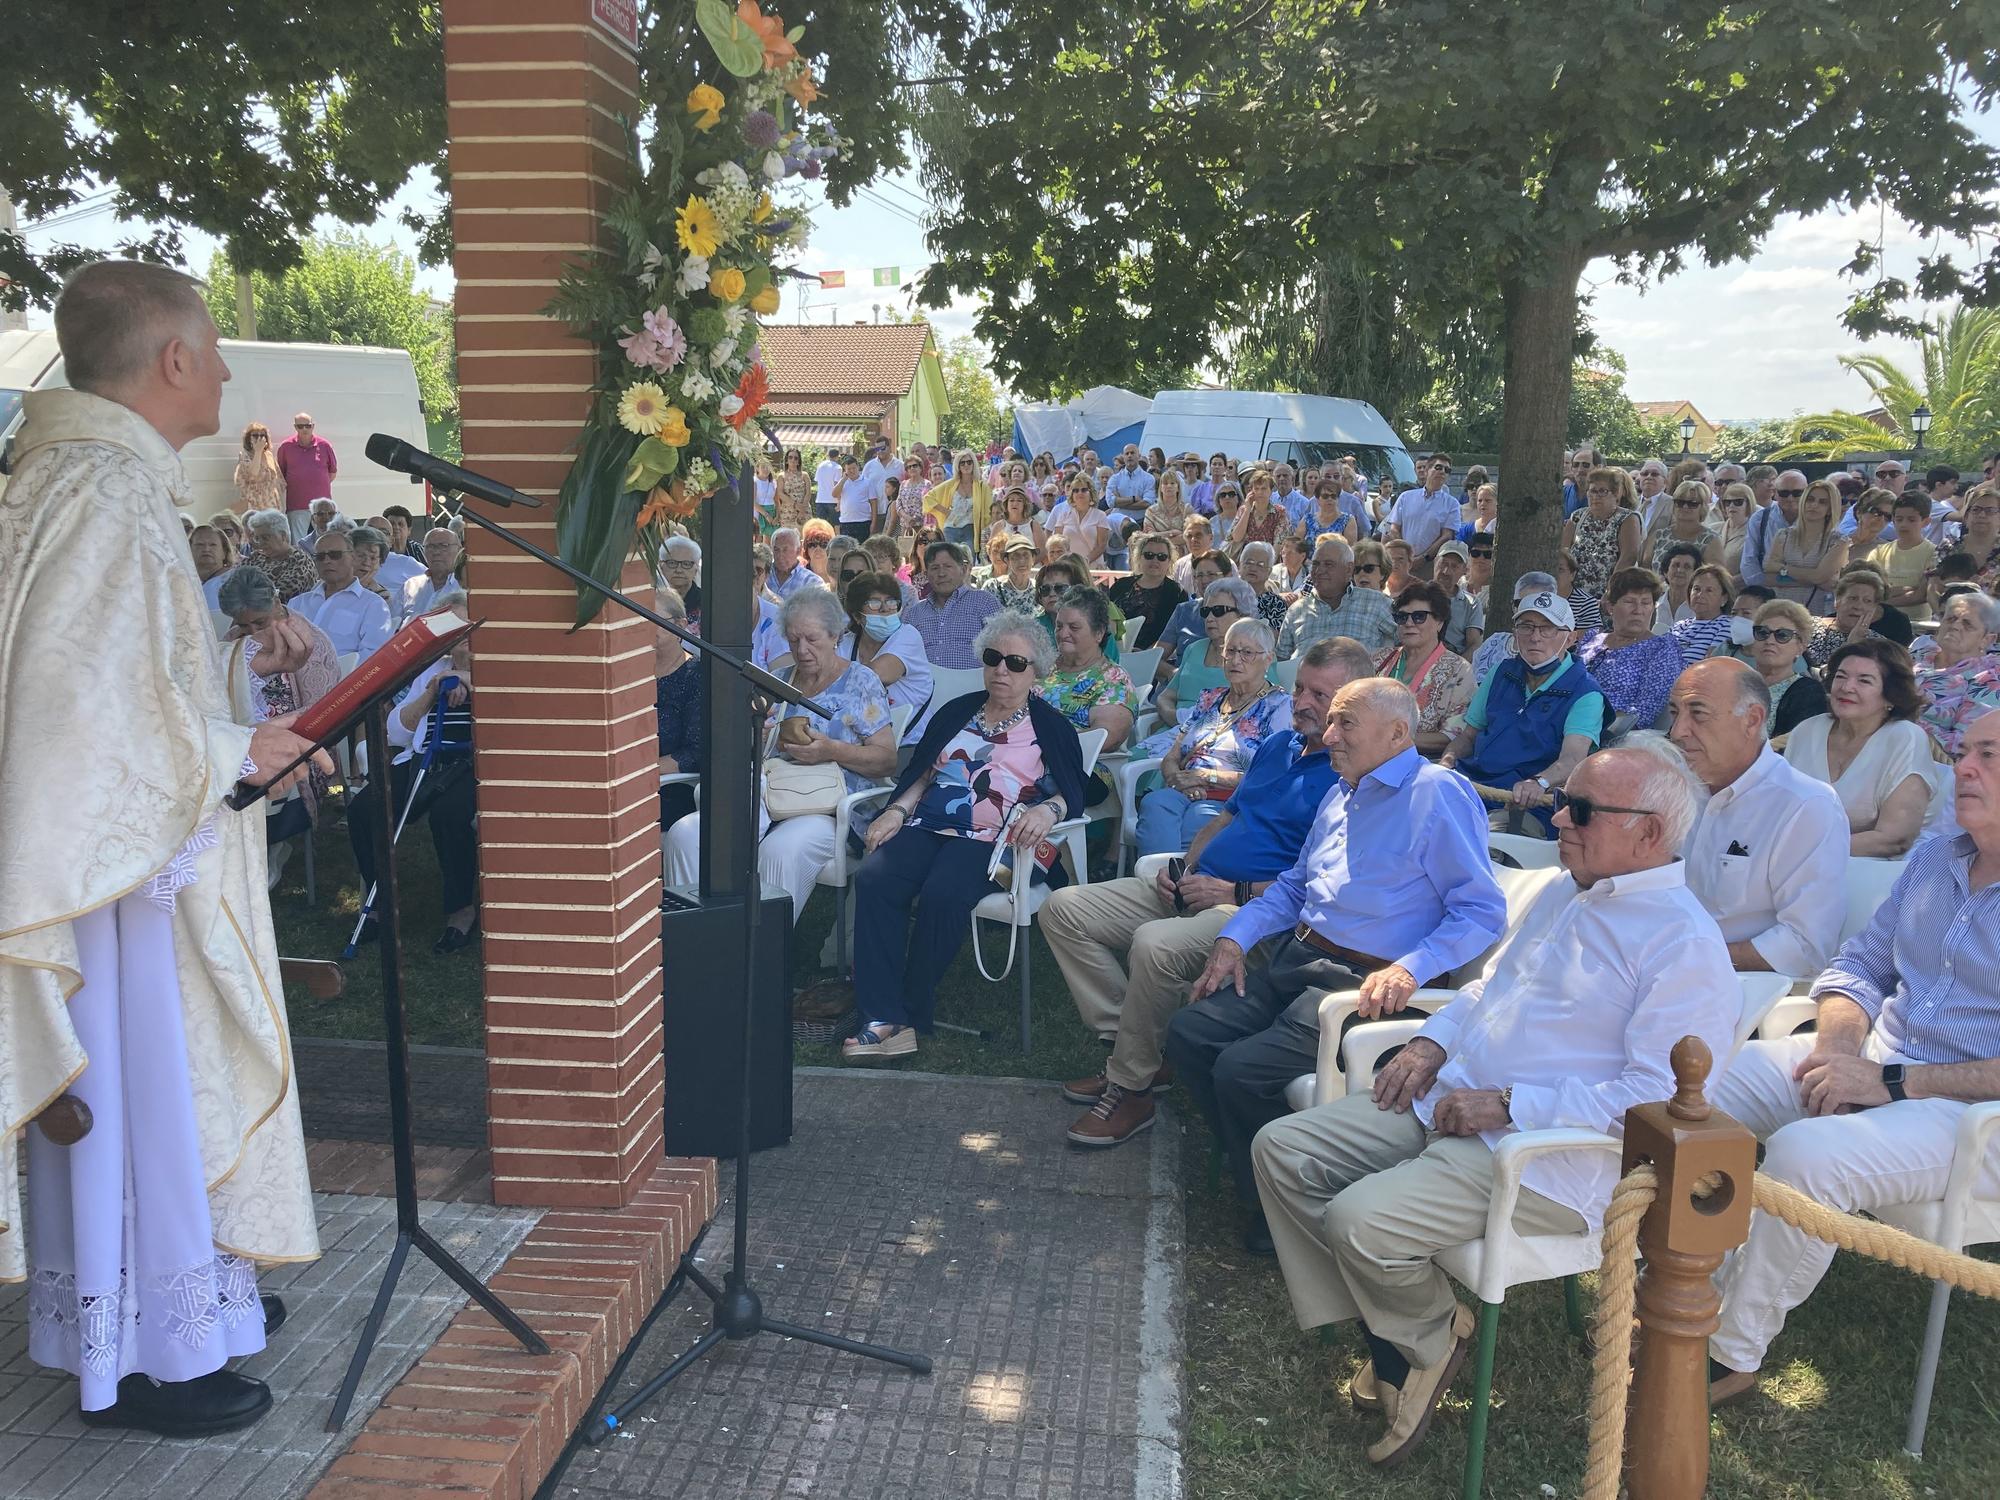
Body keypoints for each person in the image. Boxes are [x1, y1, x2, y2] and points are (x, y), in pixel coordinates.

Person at [1, 260, 325, 1435]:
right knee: (140, 1104)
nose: (231, 371)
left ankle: (194, 1304)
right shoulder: (95, 486)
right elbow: (74, 707)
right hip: (112, 871)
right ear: (175, 359)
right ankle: (142, 1361)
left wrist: (242, 684)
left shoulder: (88, 475)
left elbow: (129, 677)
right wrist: (238, 751)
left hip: (135, 845)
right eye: (216, 349)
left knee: (163, 1104)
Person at [1254, 735, 1736, 1467]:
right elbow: (1488, 989)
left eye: (1581, 809)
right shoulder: (1562, 891)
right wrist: (1431, 1045)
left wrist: (1511, 1104)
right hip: (1449, 1102)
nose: (1559, 821)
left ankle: (1421, 1340)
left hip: (1543, 1159)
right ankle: (1407, 1336)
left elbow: (1658, 1098)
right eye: (1565, 803)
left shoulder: (1684, 945)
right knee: (1282, 1150)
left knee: (1357, 1220)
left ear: (1650, 833)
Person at [1706, 709, 2000, 1408]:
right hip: (1874, 1057)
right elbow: (1859, 968)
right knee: (1703, 1087)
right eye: (1964, 751)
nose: (1963, 766)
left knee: (1811, 1157)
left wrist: (1888, 1082)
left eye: (1989, 754)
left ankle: (1729, 1353)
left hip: (1973, 1114)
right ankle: (1689, 1285)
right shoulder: (1937, 857)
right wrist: (1839, 1051)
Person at [1166, 678, 1507, 1240]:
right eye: (1332, 722)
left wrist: (1412, 967)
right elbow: (1295, 886)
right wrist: (1236, 938)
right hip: (1301, 959)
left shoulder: (1435, 793)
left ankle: (1279, 1216)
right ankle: (1260, 1174)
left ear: (1398, 733)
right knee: (1189, 1031)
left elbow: (1480, 911)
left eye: (1345, 722)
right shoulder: (1343, 789)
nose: (1328, 734)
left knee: (1240, 1070)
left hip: (1367, 985)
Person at [1044, 639, 1372, 1146]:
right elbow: (1224, 817)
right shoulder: (1277, 746)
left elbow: (1319, 884)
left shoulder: (1348, 777)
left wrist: (1235, 890)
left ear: (1352, 704)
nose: (1303, 702)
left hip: (1258, 914)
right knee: (1064, 909)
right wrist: (1183, 867)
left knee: (1154, 944)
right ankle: (1142, 1051)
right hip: (1195, 886)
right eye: (1300, 688)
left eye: (1321, 696)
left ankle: (1131, 1088)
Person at [847, 613, 1090, 1059]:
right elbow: (923, 773)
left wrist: (1047, 809)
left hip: (991, 837)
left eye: (1016, 662)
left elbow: (1075, 794)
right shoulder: (958, 711)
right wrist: (897, 810)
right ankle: (880, 1013)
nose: (1002, 669)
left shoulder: (1050, 727)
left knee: (944, 892)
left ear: (1037, 671)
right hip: (928, 823)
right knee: (874, 878)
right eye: (994, 658)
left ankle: (908, 1009)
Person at [665, 588, 897, 920]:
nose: (801, 650)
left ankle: (762, 959)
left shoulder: (861, 681)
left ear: (835, 635)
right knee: (685, 835)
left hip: (827, 806)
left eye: (812, 639)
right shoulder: (778, 682)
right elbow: (751, 754)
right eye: (793, 640)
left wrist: (831, 750)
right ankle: (697, 942)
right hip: (770, 796)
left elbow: (886, 759)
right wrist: (755, 736)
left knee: (781, 850)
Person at [1665, 658, 1848, 976]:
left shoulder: (1804, 806)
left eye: (1698, 714)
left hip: (1733, 990)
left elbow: (1805, 946)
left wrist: (1687, 959)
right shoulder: (1671, 786)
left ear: (1752, 720)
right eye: (1674, 714)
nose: (1678, 731)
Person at [349, 619, 483, 952]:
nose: (463, 637)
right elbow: (397, 733)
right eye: (456, 632)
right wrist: (433, 690)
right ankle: (381, 905)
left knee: (448, 815)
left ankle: (461, 911)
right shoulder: (432, 670)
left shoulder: (499, 666)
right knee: (364, 809)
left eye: (469, 628)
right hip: (423, 757)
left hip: (473, 762)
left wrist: (468, 680)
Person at [1440, 591, 1606, 817]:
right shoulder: (1502, 672)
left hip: (1525, 804)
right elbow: (1468, 736)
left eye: (1547, 628)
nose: (1535, 637)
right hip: (1474, 783)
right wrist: (1447, 760)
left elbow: (1573, 758)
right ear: (1515, 633)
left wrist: (1540, 782)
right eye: (1526, 626)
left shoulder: (1585, 692)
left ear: (1570, 638)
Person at [1139, 618, 1290, 854]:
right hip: (1185, 791)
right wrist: (1178, 780)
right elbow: (1173, 755)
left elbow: (1271, 776)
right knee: (1154, 803)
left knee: (1195, 822)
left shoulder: (1278, 706)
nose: (1235, 660)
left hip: (1232, 800)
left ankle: (1171, 883)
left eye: (1247, 653)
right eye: (1230, 651)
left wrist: (1204, 777)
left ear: (1268, 659)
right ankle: (1167, 882)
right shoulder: (1209, 698)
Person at [1783, 640, 1940, 856]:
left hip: (1868, 874)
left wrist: (1807, 851)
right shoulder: (1808, 730)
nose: (1846, 687)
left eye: (1864, 680)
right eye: (1841, 676)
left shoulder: (1905, 738)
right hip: (1788, 863)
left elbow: (1895, 839)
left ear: (1891, 695)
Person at [1577, 567, 1745, 730]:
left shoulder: (1662, 649)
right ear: (1610, 607)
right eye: (1629, 602)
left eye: (1646, 603)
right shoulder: (1592, 639)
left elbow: (1642, 713)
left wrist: (1588, 728)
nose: (1638, 610)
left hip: (1609, 733)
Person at [1037, 587, 1140, 787]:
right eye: (1059, 626)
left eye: (1074, 628)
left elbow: (1104, 738)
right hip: (1021, 755)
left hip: (1076, 768)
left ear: (1099, 633)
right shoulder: (1042, 667)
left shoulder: (1112, 679)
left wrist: (1036, 746)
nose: (1063, 634)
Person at [1154, 577, 1273, 724]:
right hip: (1175, 729)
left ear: (1243, 615)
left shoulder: (1259, 654)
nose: (1209, 618)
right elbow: (1166, 697)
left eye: (1218, 611)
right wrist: (1175, 718)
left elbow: (1268, 706)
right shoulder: (1194, 649)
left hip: (1223, 735)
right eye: (1205, 611)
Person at [1379, 581, 1475, 756]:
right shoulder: (1379, 659)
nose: (1408, 623)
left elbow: (1453, 735)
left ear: (1439, 622)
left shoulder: (1459, 671)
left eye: (1419, 616)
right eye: (1402, 617)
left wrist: (1392, 739)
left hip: (1422, 764)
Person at [838, 568, 933, 744]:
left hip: (909, 746)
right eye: (874, 603)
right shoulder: (846, 644)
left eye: (891, 602)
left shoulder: (908, 635)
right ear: (857, 616)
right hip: (858, 744)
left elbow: (875, 676)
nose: (884, 609)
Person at [1277, 535, 1397, 659]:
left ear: (1348, 569)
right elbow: (1281, 660)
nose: (1320, 570)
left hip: (1359, 677)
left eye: (1329, 564)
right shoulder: (1297, 610)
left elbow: (1407, 640)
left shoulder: (1376, 602)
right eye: (1315, 564)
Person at [1913, 592, 2000, 759]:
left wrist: (1906, 716)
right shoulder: (1920, 651)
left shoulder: (1988, 680)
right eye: (1950, 619)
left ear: (1987, 640)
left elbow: (1966, 745)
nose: (1956, 626)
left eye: (1967, 624)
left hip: (1926, 761)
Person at [293, 529, 392, 662]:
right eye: (320, 556)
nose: (327, 561)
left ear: (352, 557)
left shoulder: (373, 605)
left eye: (335, 555)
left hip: (344, 679)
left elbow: (373, 658)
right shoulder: (297, 604)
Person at [905, 539, 1001, 672]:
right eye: (934, 568)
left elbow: (1003, 647)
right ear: (926, 574)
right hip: (925, 688)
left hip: (974, 686)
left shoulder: (984, 602)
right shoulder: (915, 613)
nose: (941, 573)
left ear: (963, 569)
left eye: (948, 566)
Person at [653, 590, 704, 836]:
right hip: (626, 779)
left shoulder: (696, 675)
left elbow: (696, 753)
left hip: (671, 787)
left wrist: (644, 771)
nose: (644, 626)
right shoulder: (628, 671)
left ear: (681, 626)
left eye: (652, 618)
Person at [1560, 466, 1642, 616]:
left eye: (1602, 491)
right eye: (1592, 491)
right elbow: (1563, 554)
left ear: (1616, 494)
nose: (1596, 496)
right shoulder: (1577, 517)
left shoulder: (1627, 519)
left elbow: (1629, 556)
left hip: (1609, 596)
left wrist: (1610, 591)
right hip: (1574, 597)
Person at [1745, 598, 1831, 737]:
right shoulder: (1735, 682)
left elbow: (1796, 745)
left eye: (1782, 635)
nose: (1770, 641)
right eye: (1762, 632)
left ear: (1800, 647)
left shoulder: (1808, 692)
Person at [1765, 478, 1849, 614]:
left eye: (1822, 502)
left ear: (1830, 509)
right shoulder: (1783, 535)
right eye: (1810, 499)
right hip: (1782, 610)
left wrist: (1782, 569)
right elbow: (1769, 577)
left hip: (1819, 612)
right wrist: (1814, 580)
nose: (1814, 505)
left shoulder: (1839, 541)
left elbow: (1819, 576)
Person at [1386, 455, 1462, 578]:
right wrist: (1406, 555)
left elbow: (1447, 536)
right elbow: (1394, 528)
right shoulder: (1405, 497)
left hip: (1429, 565)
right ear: (1427, 470)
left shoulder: (1452, 504)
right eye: (1438, 467)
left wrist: (1424, 558)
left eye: (1447, 470)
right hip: (1401, 562)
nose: (1442, 472)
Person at [1109, 532, 1187, 649]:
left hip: (1156, 656)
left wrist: (1147, 653)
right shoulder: (1120, 585)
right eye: (1149, 555)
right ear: (1139, 557)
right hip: (1116, 651)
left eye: (1161, 557)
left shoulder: (1177, 593)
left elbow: (1175, 633)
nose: (1155, 560)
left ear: (1169, 561)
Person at [1867, 492, 1939, 609]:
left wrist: (1884, 601)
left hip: (1917, 623)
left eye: (1911, 520)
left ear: (1926, 522)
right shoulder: (1879, 552)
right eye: (1899, 519)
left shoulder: (1934, 553)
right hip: (1881, 620)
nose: (1904, 524)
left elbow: (1921, 595)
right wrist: (1909, 590)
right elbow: (1871, 590)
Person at [274, 411, 336, 541]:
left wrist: (317, 485)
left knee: (326, 540)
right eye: (300, 426)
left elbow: (332, 472)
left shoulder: (325, 446)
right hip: (297, 505)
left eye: (307, 426)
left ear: (313, 426)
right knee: (298, 543)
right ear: (295, 427)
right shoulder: (286, 447)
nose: (304, 429)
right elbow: (282, 474)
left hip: (322, 506)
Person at [241, 506, 319, 602]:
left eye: (265, 537)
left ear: (283, 536)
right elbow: (233, 585)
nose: (260, 543)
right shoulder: (255, 557)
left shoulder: (300, 562)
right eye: (257, 538)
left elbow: (277, 597)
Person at [1646, 481, 1723, 572]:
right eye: (1680, 502)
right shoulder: (1658, 536)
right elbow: (1645, 569)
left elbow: (1716, 575)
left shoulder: (1711, 540)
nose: (1685, 507)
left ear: (1703, 507)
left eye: (1692, 504)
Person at [925, 449, 991, 547]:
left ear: (974, 464)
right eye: (962, 463)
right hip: (951, 528)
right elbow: (928, 498)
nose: (966, 465)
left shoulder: (982, 487)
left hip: (970, 528)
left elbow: (989, 511)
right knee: (951, 559)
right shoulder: (950, 484)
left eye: (969, 462)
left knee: (968, 558)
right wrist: (944, 511)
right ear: (957, 466)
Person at [402, 524, 464, 623]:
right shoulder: (411, 585)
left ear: (459, 549)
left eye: (444, 546)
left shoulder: (464, 587)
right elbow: (393, 622)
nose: (436, 552)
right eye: (430, 546)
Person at [1046, 470, 1110, 565]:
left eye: (1084, 490)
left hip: (1093, 567)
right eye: (1076, 490)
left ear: (1091, 493)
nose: (1079, 493)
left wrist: (1085, 561)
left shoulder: (1100, 515)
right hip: (1069, 567)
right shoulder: (1064, 515)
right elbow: (1057, 542)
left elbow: (1102, 545)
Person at [232, 420, 284, 513]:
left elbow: (278, 478)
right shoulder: (245, 456)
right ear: (249, 438)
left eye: (262, 435)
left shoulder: (269, 455)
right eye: (255, 435)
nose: (259, 438)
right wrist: (258, 451)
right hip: (254, 505)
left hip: (271, 504)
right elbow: (253, 474)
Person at [1238, 540, 1290, 632]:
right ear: (1240, 565)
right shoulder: (1228, 595)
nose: (1253, 568)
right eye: (1249, 562)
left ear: (1269, 571)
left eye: (1260, 565)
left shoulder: (1276, 604)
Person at [986, 485, 1048, 560]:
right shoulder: (999, 526)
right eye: (1011, 500)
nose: (1015, 503)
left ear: (1024, 505)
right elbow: (991, 550)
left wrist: (1028, 565)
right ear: (1006, 504)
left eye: (1019, 501)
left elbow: (1042, 551)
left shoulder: (1034, 525)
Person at [188, 522, 235, 616]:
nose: (206, 549)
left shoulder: (236, 581)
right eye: (199, 544)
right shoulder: (183, 582)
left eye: (213, 545)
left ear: (224, 552)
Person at [658, 534, 703, 628]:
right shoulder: (654, 601)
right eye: (672, 563)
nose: (679, 570)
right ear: (661, 566)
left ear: (696, 569)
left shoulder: (707, 602)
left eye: (686, 564)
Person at [767, 525, 822, 600]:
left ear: (798, 551)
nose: (780, 555)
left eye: (785, 550)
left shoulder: (811, 582)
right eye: (776, 549)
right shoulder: (762, 575)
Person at [1144, 465, 1195, 539]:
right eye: (1165, 483)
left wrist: (1161, 537)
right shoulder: (1151, 511)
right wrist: (1170, 533)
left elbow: (1190, 535)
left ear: (1178, 487)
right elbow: (1148, 536)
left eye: (1172, 483)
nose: (1169, 486)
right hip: (1158, 549)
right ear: (1161, 488)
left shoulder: (1187, 509)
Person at [812, 445, 843, 525]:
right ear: (837, 457)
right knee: (836, 525)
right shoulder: (838, 467)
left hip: (820, 499)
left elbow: (817, 481)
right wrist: (839, 502)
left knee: (821, 526)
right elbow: (837, 485)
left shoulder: (820, 465)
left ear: (828, 455)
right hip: (833, 500)